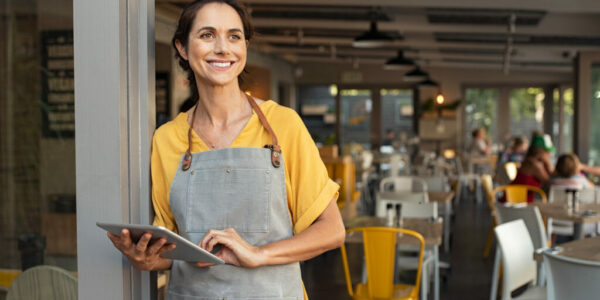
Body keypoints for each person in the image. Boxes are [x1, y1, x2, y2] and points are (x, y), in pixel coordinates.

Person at [106, 1, 345, 299]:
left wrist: (259, 254)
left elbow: (332, 230)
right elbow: (172, 246)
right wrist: (151, 259)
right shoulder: (166, 138)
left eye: (234, 36)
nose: (223, 48)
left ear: (245, 46)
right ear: (182, 47)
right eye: (207, 35)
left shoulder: (283, 125)